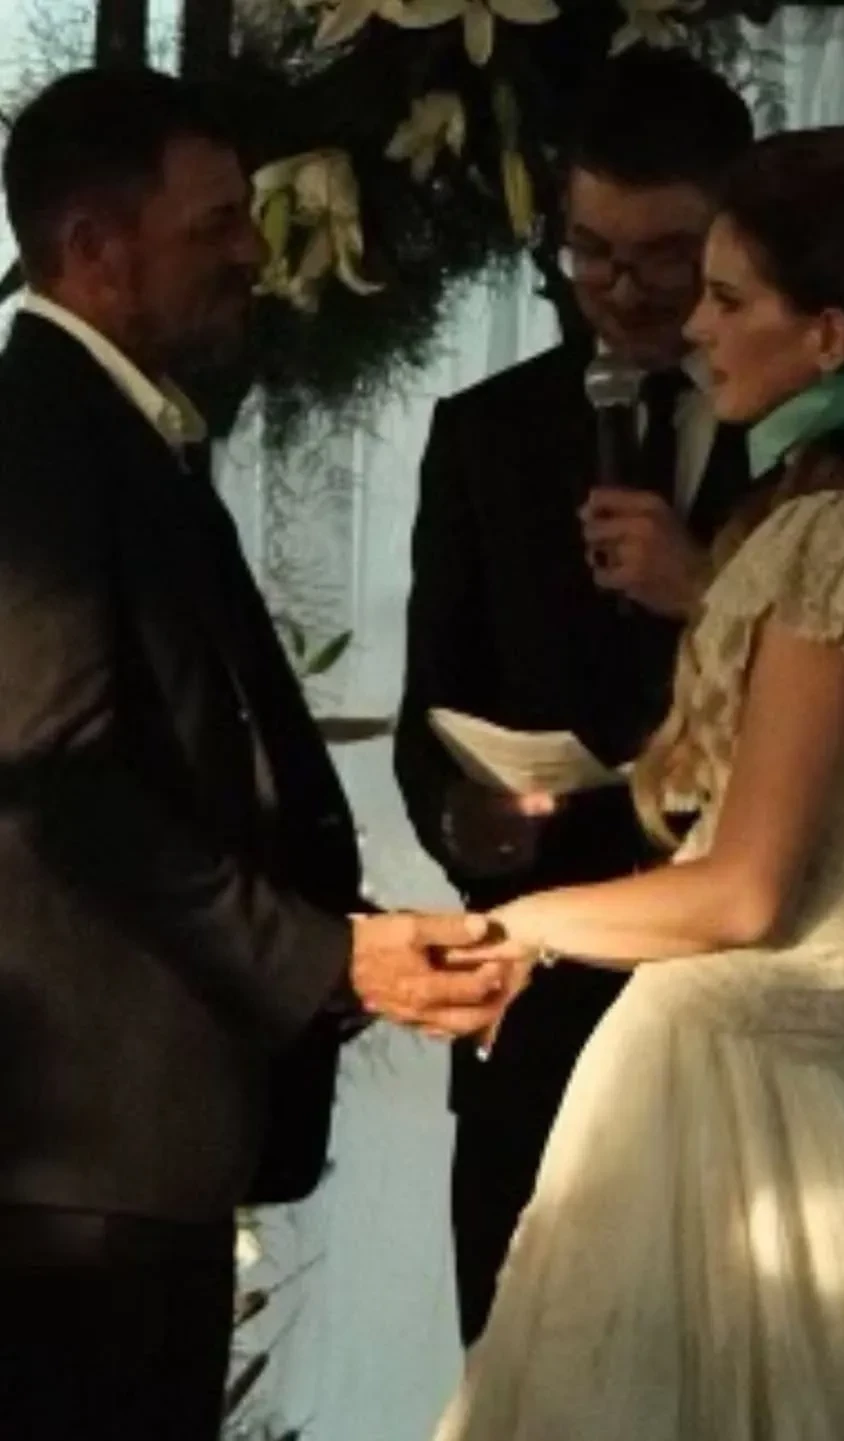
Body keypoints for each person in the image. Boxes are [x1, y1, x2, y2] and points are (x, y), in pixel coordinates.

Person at [427, 121, 844, 1439]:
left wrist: (521, 926)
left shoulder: (832, 540)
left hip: (728, 1091)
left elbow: (745, 891)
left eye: (728, 297)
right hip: (818, 1092)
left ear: (828, 337)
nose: (696, 329)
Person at [0, 69, 507, 1441]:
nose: (251, 252)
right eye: (214, 224)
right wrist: (325, 957)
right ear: (96, 246)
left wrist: (351, 941)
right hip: (78, 1175)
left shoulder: (122, 430)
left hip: (131, 1163)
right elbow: (59, 786)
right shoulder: (37, 438)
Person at [394, 47, 754, 1345]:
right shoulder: (486, 435)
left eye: (665, 258)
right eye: (591, 251)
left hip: (734, 1004)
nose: (623, 290)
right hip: (537, 1017)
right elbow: (432, 713)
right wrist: (469, 821)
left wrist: (705, 589)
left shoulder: (809, 433)